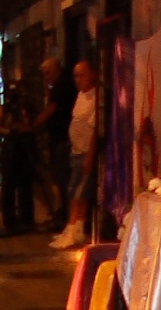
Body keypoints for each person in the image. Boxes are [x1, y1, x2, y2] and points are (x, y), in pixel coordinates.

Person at [51, 60, 97, 249]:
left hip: (86, 153)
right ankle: (74, 228)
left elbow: (94, 130)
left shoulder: (96, 98)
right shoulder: (80, 96)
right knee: (73, 191)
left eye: (82, 74)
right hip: (75, 152)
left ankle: (74, 229)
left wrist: (90, 156)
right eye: (76, 75)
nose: (78, 79)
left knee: (80, 194)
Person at [34, 57, 77, 232]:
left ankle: (65, 217)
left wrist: (34, 125)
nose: (46, 77)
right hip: (59, 138)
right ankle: (62, 214)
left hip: (62, 140)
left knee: (63, 179)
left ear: (57, 69)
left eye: (48, 73)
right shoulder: (58, 85)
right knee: (60, 179)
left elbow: (52, 108)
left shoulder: (62, 86)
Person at [0, 80, 39, 235]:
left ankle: (27, 219)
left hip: (24, 148)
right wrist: (9, 131)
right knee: (8, 186)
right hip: (10, 148)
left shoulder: (27, 107)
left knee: (26, 185)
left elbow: (30, 125)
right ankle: (9, 221)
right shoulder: (6, 108)